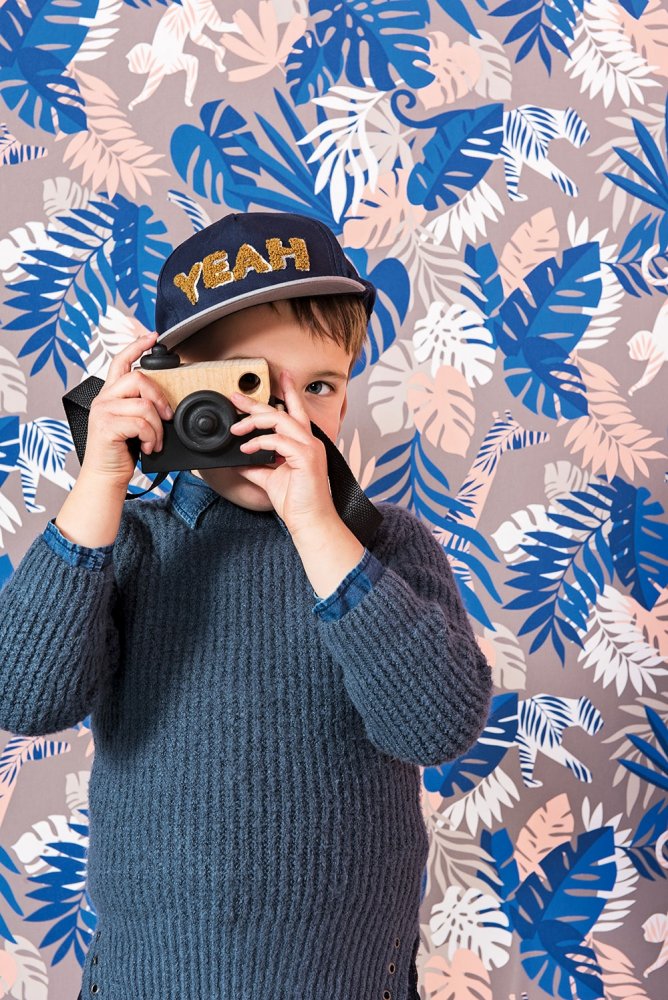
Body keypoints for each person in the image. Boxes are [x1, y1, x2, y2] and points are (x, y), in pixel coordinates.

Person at [0, 211, 493, 1000]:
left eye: (320, 386)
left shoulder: (383, 545)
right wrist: (99, 484)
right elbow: (24, 697)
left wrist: (320, 527)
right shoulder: (131, 543)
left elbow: (436, 728)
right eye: (248, 384)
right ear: (170, 391)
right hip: (149, 983)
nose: (286, 417)